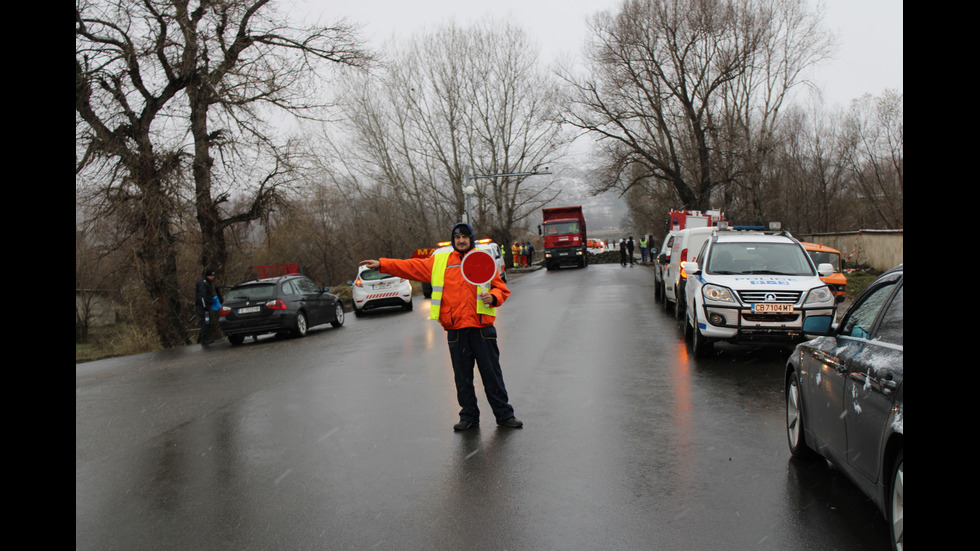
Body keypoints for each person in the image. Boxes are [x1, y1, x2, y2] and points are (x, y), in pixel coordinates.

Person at [360, 222, 523, 431]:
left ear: (471, 239)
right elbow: (409, 266)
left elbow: (501, 289)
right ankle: (469, 416)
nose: (461, 240)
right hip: (456, 329)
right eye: (457, 237)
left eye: (465, 236)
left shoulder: (482, 259)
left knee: (492, 375)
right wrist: (383, 264)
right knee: (462, 377)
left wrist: (493, 296)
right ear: (453, 240)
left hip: (481, 327)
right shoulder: (440, 261)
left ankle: (504, 415)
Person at [195, 269, 216, 345]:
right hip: (203, 306)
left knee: (207, 322)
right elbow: (202, 296)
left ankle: (204, 338)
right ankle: (203, 339)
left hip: (205, 306)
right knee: (205, 322)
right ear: (208, 276)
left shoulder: (207, 283)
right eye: (211, 276)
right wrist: (205, 306)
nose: (213, 277)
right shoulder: (203, 283)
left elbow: (208, 295)